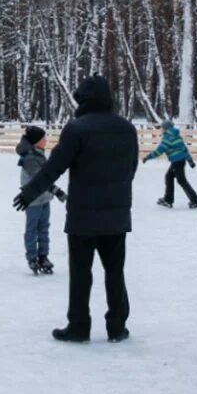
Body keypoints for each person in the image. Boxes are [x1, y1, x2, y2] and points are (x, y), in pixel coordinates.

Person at [13, 74, 138, 344]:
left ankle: (79, 326)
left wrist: (29, 192)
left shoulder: (78, 128)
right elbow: (131, 170)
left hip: (83, 216)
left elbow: (54, 167)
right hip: (117, 214)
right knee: (115, 272)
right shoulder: (127, 129)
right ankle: (117, 326)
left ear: (83, 99)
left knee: (82, 273)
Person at [16, 125, 67, 274]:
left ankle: (43, 256)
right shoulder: (30, 158)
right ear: (36, 141)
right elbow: (41, 180)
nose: (45, 140)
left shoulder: (38, 154)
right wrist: (58, 192)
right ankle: (32, 258)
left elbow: (47, 177)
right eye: (43, 138)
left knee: (44, 229)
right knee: (32, 230)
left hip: (44, 199)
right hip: (32, 200)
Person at [144, 120, 197, 209]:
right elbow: (184, 149)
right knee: (169, 177)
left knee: (181, 180)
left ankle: (194, 201)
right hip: (180, 161)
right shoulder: (177, 136)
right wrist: (190, 160)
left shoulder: (167, 138)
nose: (161, 129)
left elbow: (159, 151)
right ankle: (168, 199)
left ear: (166, 128)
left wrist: (148, 157)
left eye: (162, 128)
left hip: (177, 162)